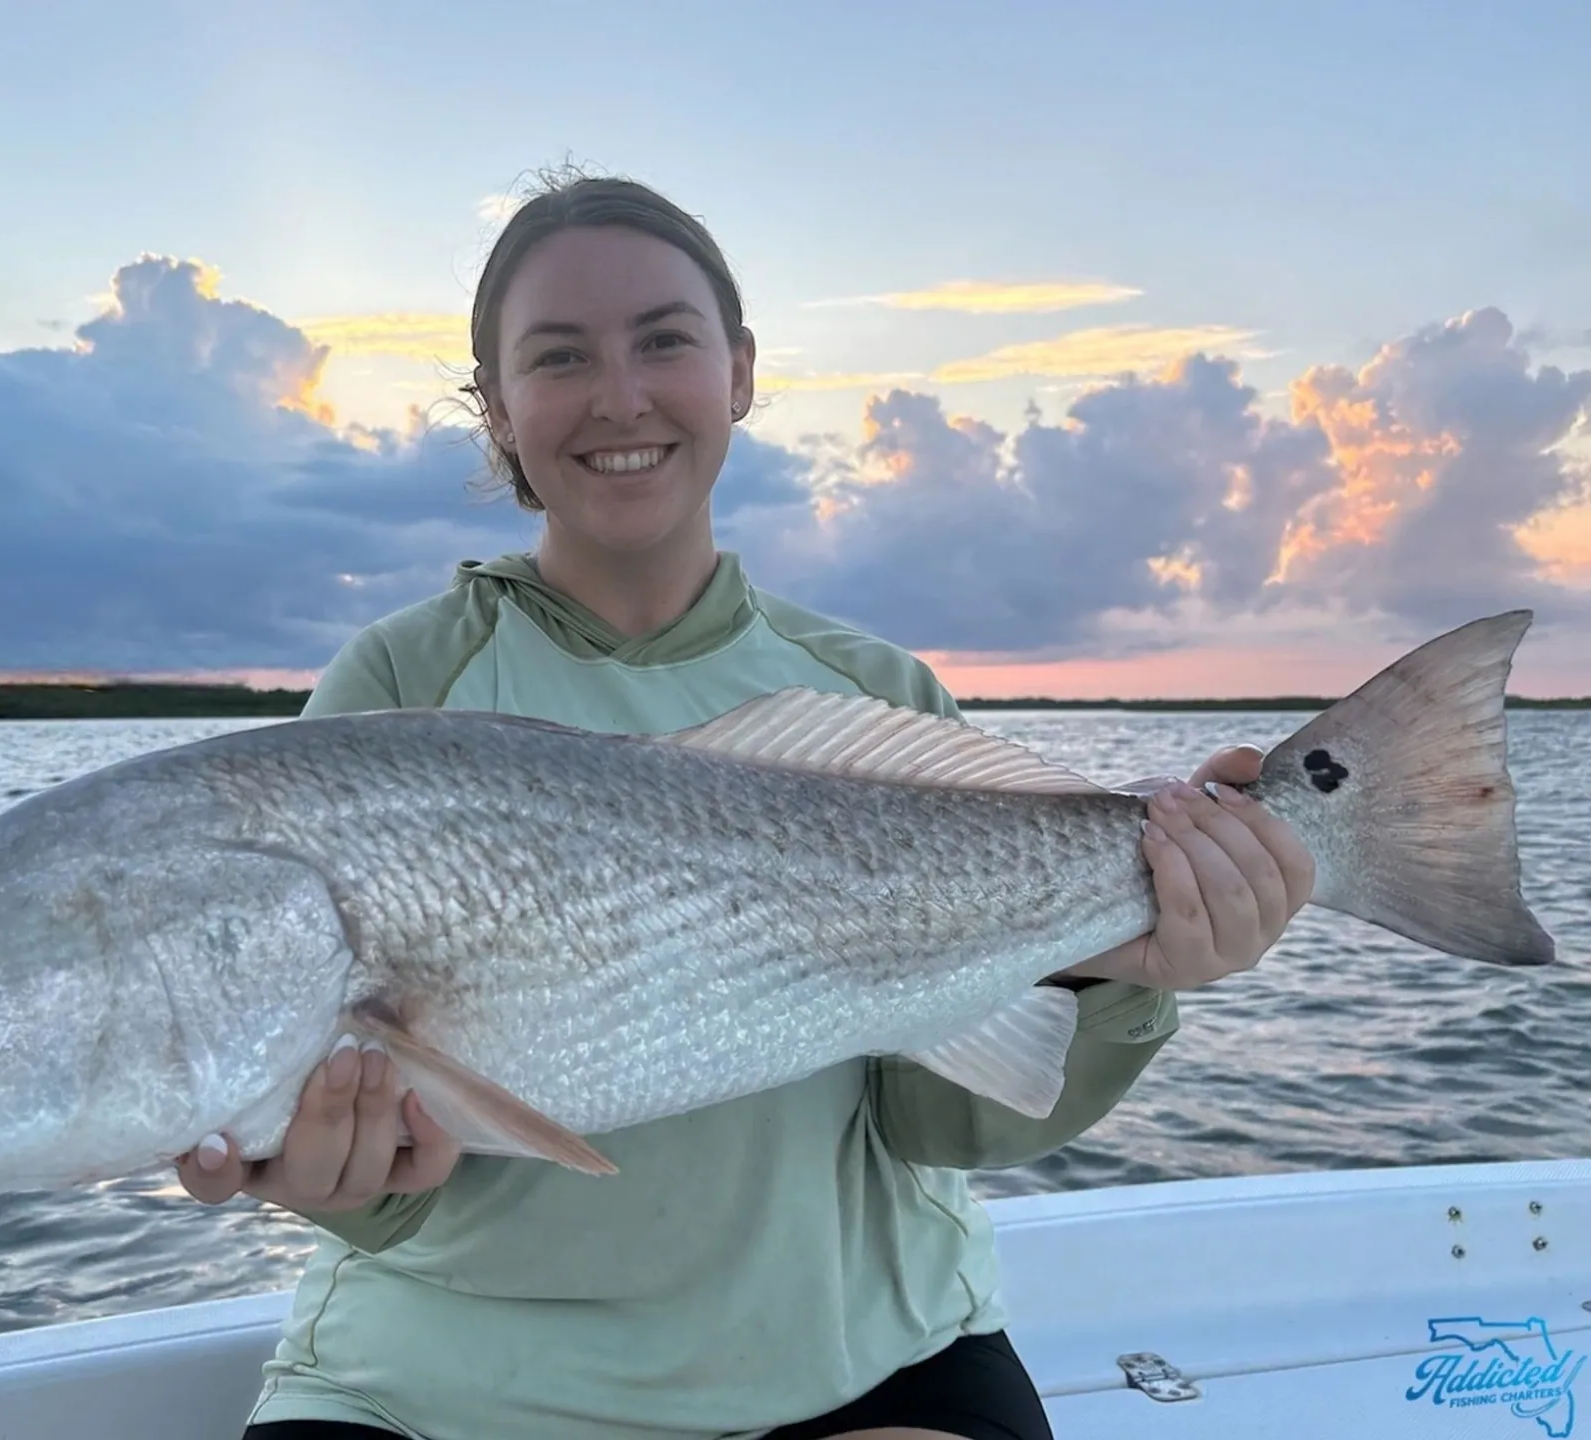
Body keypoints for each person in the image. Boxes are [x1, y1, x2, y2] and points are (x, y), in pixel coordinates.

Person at [174, 170, 1315, 1440]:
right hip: (438, 1395)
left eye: (664, 340)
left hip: (858, 1355)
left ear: (740, 371)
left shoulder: (874, 692)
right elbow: (378, 1183)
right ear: (494, 407)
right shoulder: (397, 690)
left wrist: (1125, 976)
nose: (619, 397)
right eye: (558, 357)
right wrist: (346, 1180)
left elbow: (941, 1121)